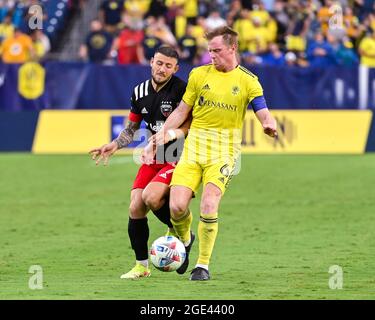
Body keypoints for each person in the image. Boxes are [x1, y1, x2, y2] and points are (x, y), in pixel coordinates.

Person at [151, 26, 277, 281]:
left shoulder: (248, 80)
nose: (212, 55)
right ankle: (185, 241)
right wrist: (163, 132)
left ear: (232, 48)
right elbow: (182, 111)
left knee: (209, 204)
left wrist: (268, 123)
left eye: (217, 50)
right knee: (176, 207)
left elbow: (262, 110)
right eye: (209, 50)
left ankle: (203, 265)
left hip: (223, 153)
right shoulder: (198, 75)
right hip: (193, 149)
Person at [89, 46, 190, 279]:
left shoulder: (182, 90)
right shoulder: (139, 91)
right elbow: (131, 128)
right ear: (151, 61)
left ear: (175, 69)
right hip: (155, 155)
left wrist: (171, 135)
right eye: (159, 63)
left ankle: (182, 231)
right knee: (135, 205)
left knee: (152, 197)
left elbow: (189, 124)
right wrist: (114, 144)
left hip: (178, 154)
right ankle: (141, 266)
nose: (162, 69)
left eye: (168, 66)